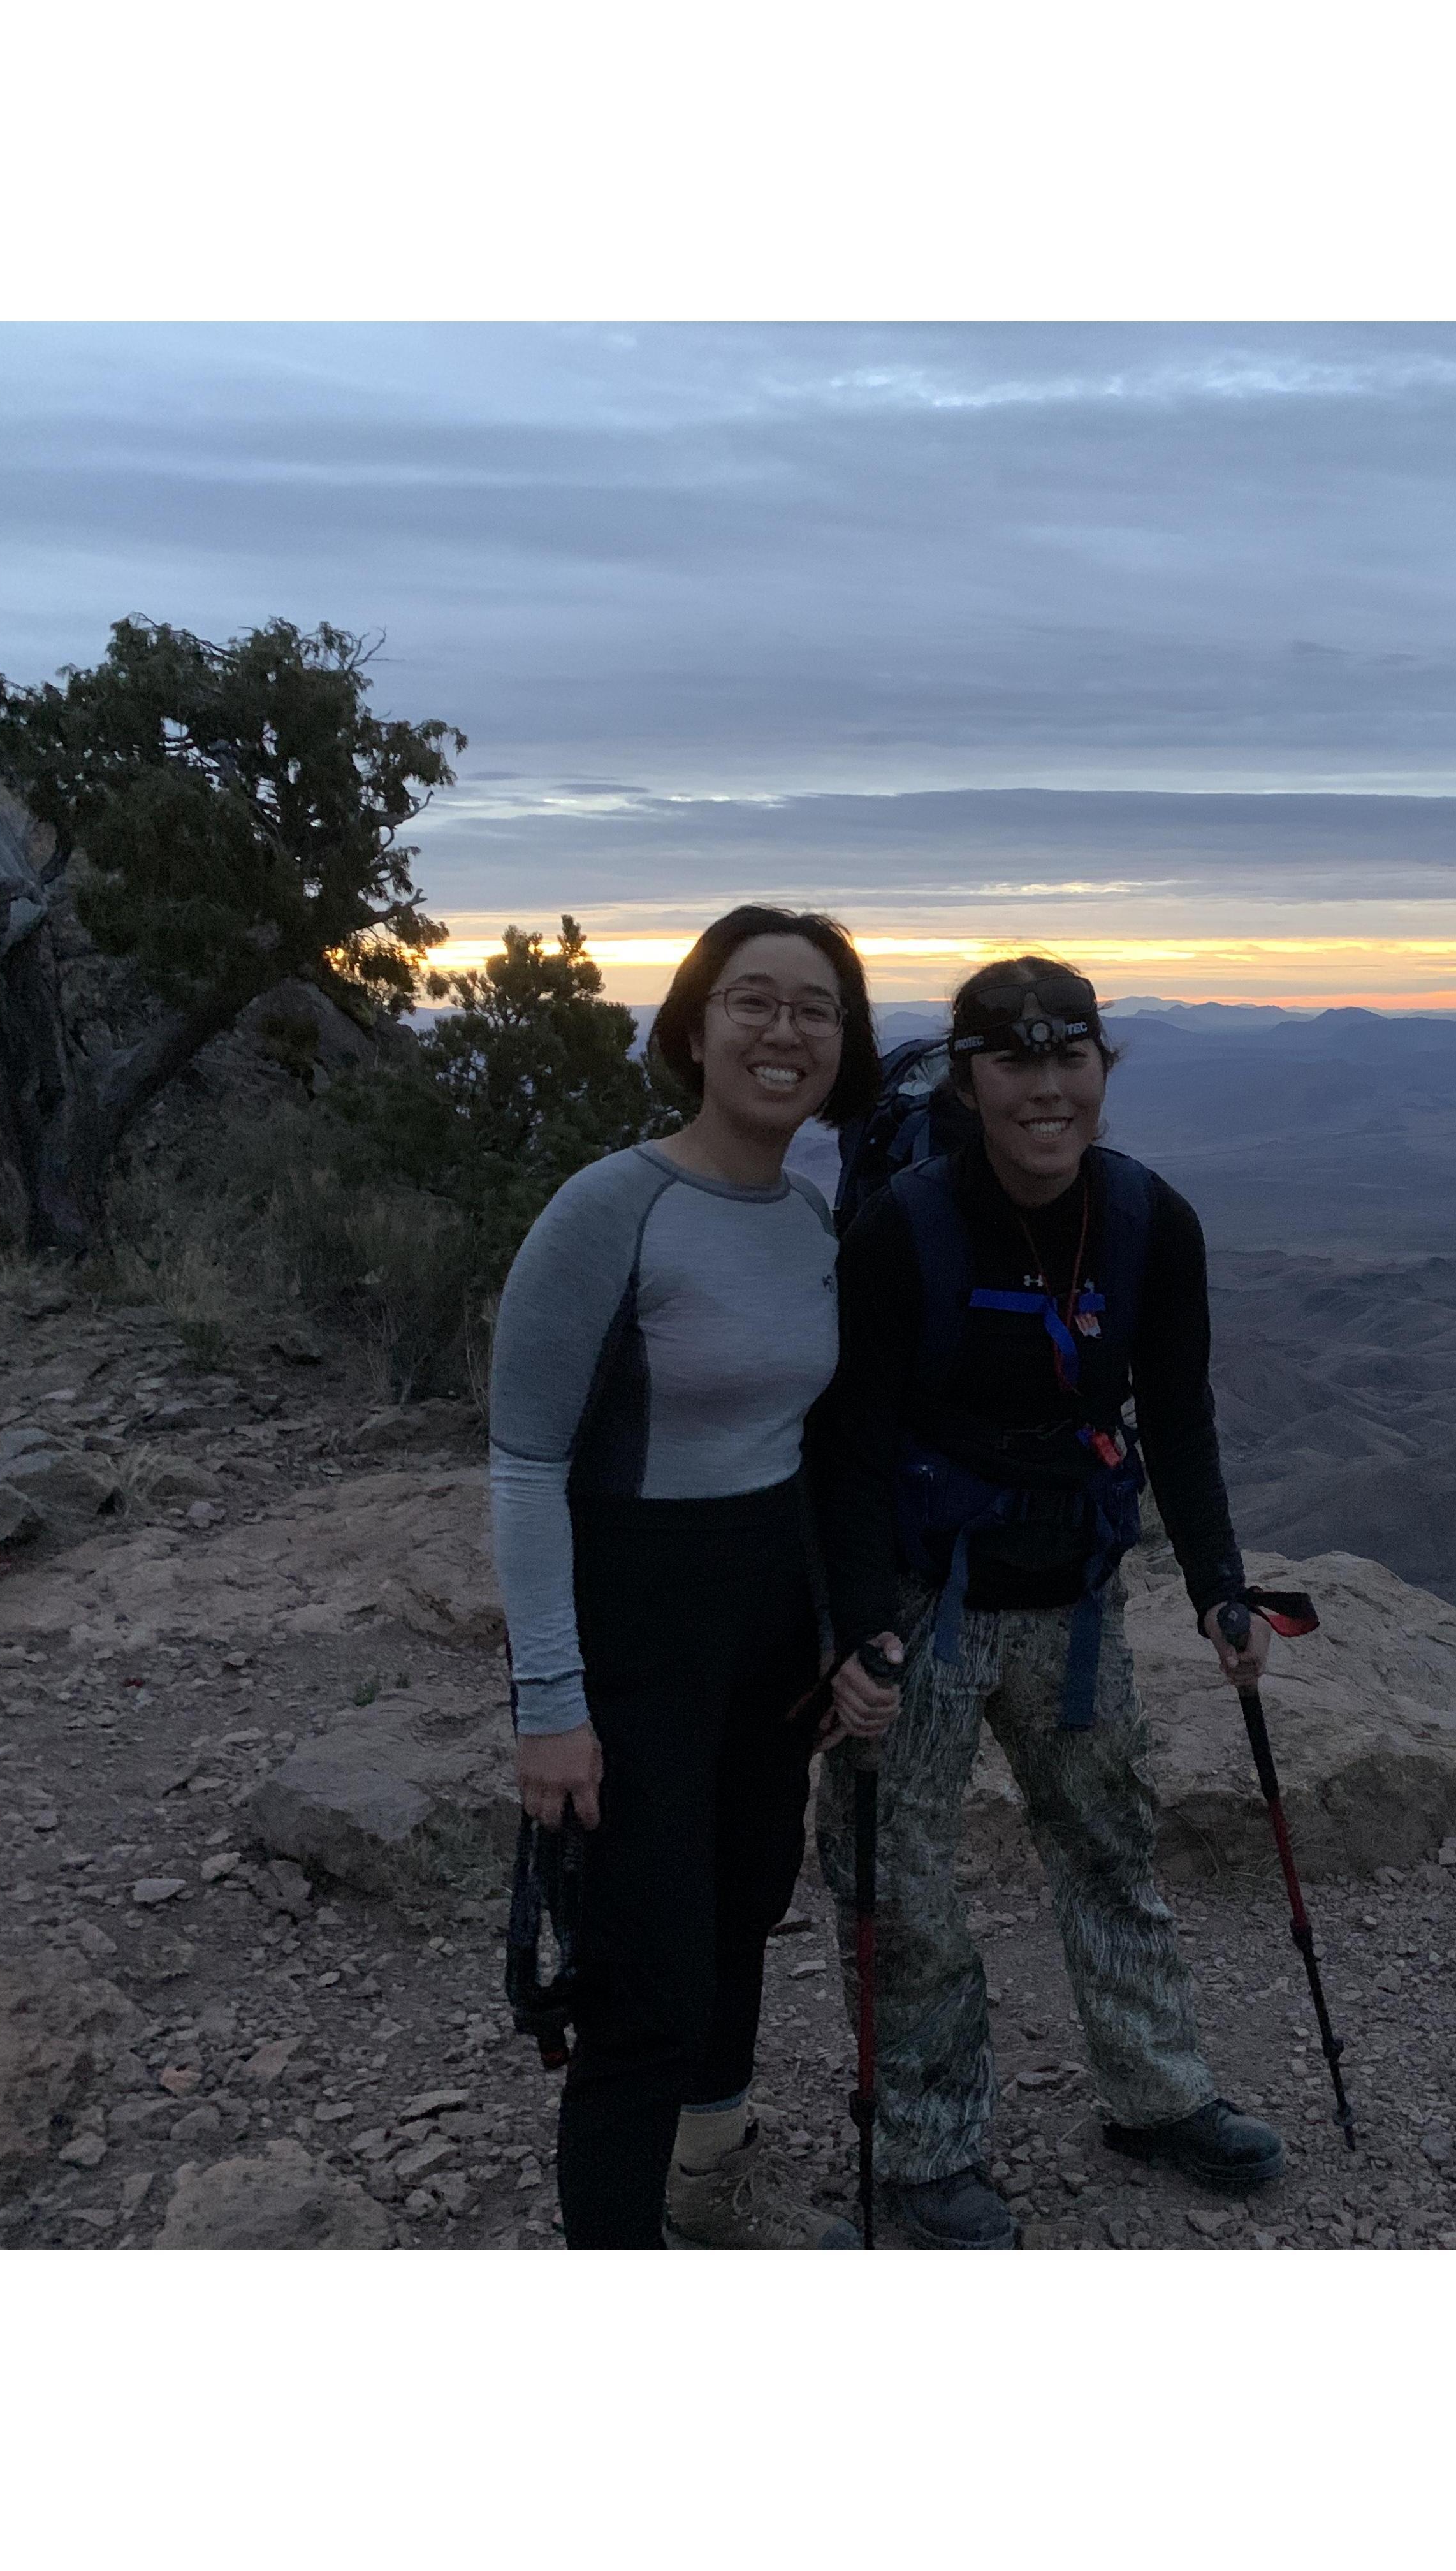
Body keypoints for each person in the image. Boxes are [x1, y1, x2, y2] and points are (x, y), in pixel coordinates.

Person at [813, 955, 1283, 2248]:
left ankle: (1155, 2094)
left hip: (1075, 1606)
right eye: (1014, 1060)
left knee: (1110, 1851)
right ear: (969, 1078)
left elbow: (1176, 1418)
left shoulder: (1149, 1222)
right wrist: (858, 1629)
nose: (1046, 1088)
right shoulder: (901, 1231)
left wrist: (1217, 1587)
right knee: (901, 1885)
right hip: (924, 1605)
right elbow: (846, 1446)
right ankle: (924, 2149)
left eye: (1069, 1057)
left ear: (1103, 1071)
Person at [489, 904, 888, 2250]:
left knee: (740, 1915)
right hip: (637, 1624)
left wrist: (842, 1632)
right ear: (697, 1027)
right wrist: (550, 1699)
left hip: (767, 1622)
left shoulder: (806, 1218)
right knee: (640, 1974)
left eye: (817, 1010)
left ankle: (706, 2183)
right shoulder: (613, 1208)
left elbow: (808, 1449)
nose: (786, 1032)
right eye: (756, 1002)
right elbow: (526, 1459)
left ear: (845, 1043)